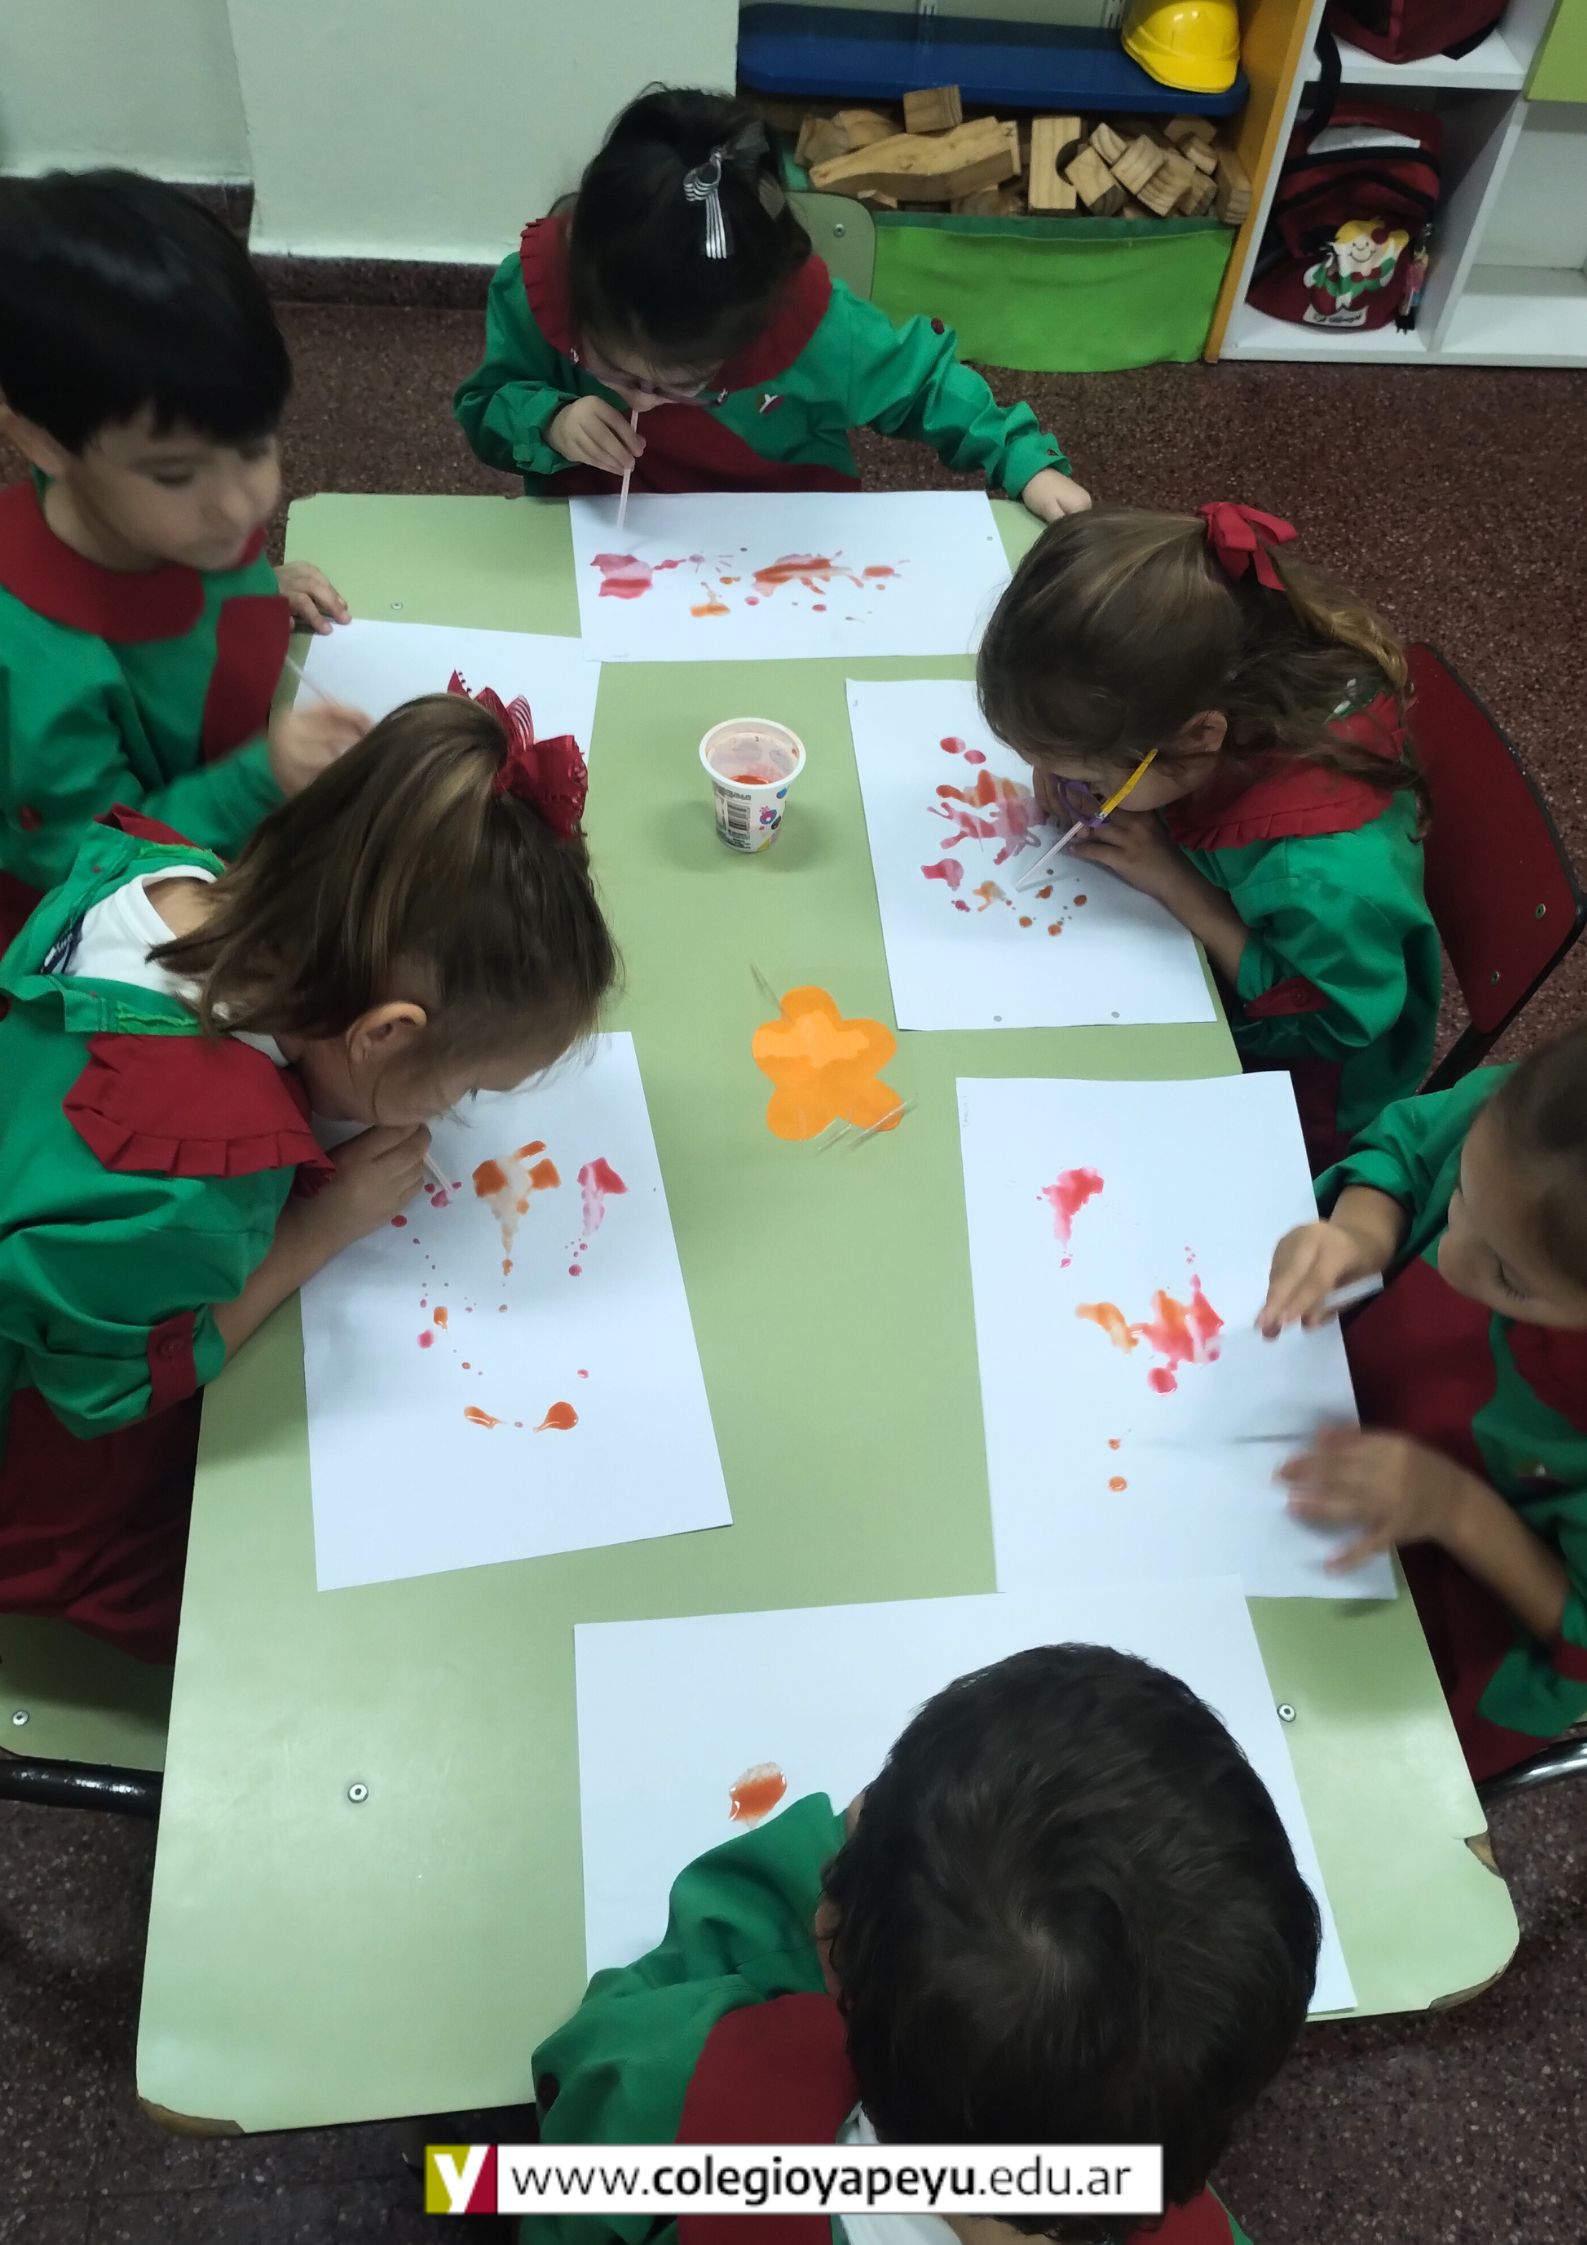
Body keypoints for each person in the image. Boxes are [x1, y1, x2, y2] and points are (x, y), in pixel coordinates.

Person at [0, 690, 615, 1663]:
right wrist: (312, 1235)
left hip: (70, 1231)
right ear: (383, 1035)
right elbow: (103, 1390)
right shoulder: (188, 1187)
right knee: (289, 1630)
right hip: (42, 1477)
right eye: (463, 1088)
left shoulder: (175, 882)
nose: (456, 1111)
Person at [528, 1644, 1320, 2245]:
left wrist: (818, 1880)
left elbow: (586, 2078)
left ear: (829, 1935)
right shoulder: (1160, 2174)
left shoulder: (699, 2100)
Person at [977, 503, 1438, 1167]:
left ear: (1197, 736)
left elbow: (1333, 1024)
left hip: (1307, 1086)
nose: (1069, 785)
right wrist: (1068, 758)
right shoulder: (1213, 685)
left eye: (1090, 776)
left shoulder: (1317, 876)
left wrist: (1180, 888)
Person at [0, 168, 362, 945]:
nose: (241, 505)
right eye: (175, 474)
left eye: (255, 445)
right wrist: (259, 780)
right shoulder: (29, 671)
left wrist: (258, 586)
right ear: (41, 440)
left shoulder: (171, 523)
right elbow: (96, 872)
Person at [455, 88, 1088, 519]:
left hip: (776, 553)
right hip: (593, 537)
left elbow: (924, 387)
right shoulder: (539, 292)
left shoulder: (812, 330)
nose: (641, 403)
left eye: (681, 385)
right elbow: (485, 408)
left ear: (750, 328)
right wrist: (550, 422)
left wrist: (1022, 461)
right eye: (615, 373)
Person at [1261, 1027, 1587, 1780]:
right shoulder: (1536, 1128)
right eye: (1463, 1192)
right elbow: (1410, 1147)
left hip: (1431, 1620)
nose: (1449, 1251)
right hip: (1328, 1419)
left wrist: (1454, 1507)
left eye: (1509, 1278)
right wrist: (1360, 1230)